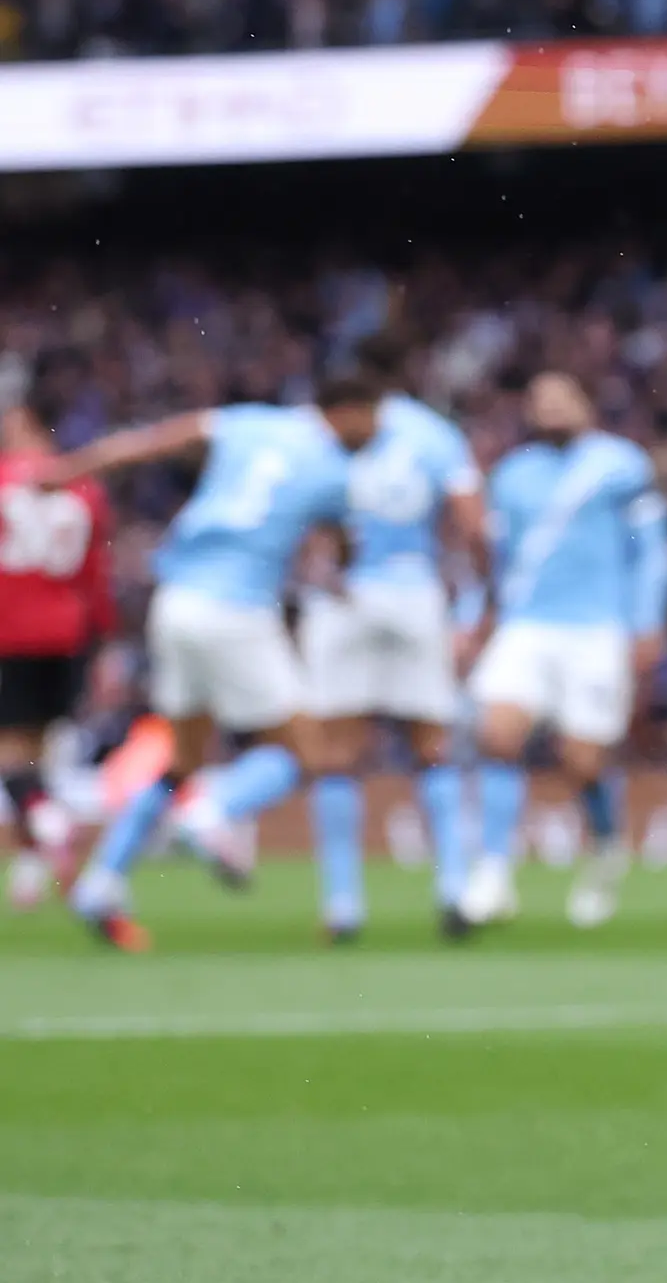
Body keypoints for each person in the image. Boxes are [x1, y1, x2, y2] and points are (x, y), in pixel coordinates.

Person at [48, 374, 385, 950]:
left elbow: (149, 441)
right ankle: (215, 810)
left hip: (175, 601)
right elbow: (344, 541)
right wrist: (345, 572)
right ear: (346, 411)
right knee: (311, 754)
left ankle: (102, 882)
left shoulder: (248, 422)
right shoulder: (334, 470)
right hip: (238, 609)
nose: (376, 432)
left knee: (183, 758)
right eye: (373, 417)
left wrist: (70, 469)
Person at [459, 370, 667, 937]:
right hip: (526, 625)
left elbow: (650, 551)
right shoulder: (512, 474)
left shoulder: (621, 465)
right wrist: (471, 619)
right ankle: (493, 875)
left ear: (585, 403)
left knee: (581, 761)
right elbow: (494, 561)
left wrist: (647, 621)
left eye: (563, 397)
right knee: (499, 736)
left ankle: (605, 849)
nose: (552, 407)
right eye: (541, 398)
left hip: (596, 628)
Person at [300, 359, 488, 941]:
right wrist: (474, 606)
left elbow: (307, 520)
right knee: (431, 747)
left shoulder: (320, 431)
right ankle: (455, 888)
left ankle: (343, 904)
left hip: (343, 597)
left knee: (336, 753)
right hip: (414, 591)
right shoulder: (436, 435)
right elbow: (473, 525)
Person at [0, 401, 117, 911]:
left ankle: (50, 820)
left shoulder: (4, 480)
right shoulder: (85, 487)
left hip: (10, 628)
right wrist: (105, 637)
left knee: (11, 754)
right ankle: (29, 868)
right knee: (36, 751)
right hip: (66, 631)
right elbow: (95, 573)